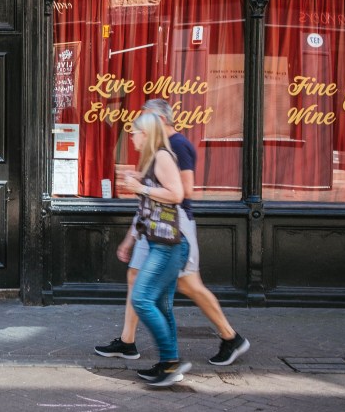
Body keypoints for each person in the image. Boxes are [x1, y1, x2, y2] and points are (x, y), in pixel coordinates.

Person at [95, 99, 250, 367]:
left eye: (145, 120)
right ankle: (128, 341)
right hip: (153, 223)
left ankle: (230, 336)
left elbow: (184, 191)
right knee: (135, 275)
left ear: (161, 120)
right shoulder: (155, 148)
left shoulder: (177, 146)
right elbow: (150, 197)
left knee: (187, 285)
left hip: (175, 226)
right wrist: (131, 235)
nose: (138, 129)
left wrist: (144, 186)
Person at [116, 112, 191, 387]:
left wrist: (141, 188)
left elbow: (177, 194)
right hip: (160, 243)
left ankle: (171, 363)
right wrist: (129, 240)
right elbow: (145, 210)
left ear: (146, 133)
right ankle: (168, 363)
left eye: (134, 133)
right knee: (161, 304)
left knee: (142, 299)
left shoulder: (162, 156)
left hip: (169, 246)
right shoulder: (151, 159)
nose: (132, 138)